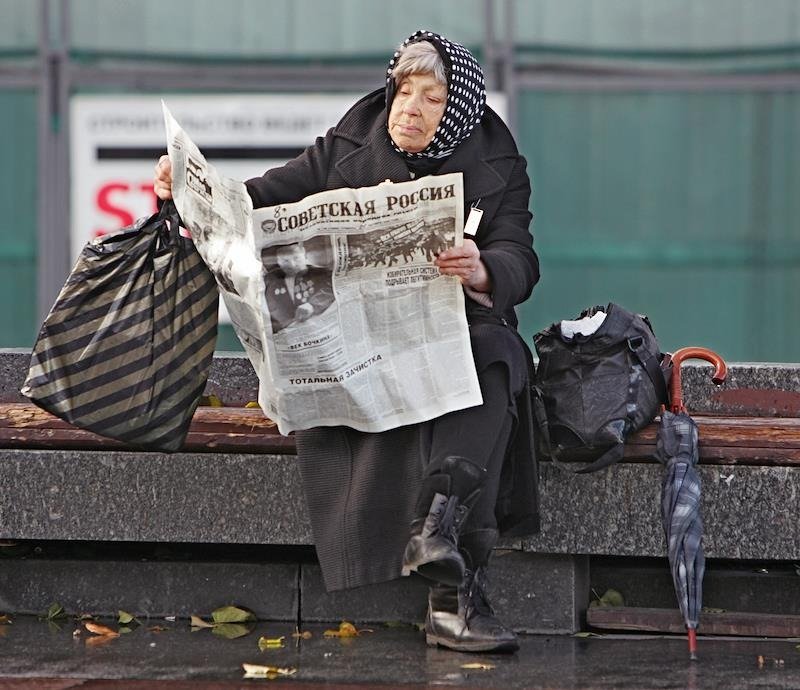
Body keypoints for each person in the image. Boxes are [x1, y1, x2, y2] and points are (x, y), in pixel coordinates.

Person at [154, 29, 540, 654]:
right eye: (403, 92)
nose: (410, 109)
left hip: (459, 329)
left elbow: (520, 254)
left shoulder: (497, 160)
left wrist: (484, 268)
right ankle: (453, 600)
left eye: (432, 99)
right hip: (355, 343)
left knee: (493, 360)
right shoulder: (350, 144)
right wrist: (189, 193)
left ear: (460, 110)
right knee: (462, 386)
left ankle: (437, 529)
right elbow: (256, 199)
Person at [262, 241, 335, 333]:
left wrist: (312, 305)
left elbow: (331, 290)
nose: (292, 265)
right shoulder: (270, 279)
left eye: (296, 258)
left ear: (304, 255)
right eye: (285, 261)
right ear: (278, 261)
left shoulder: (321, 273)